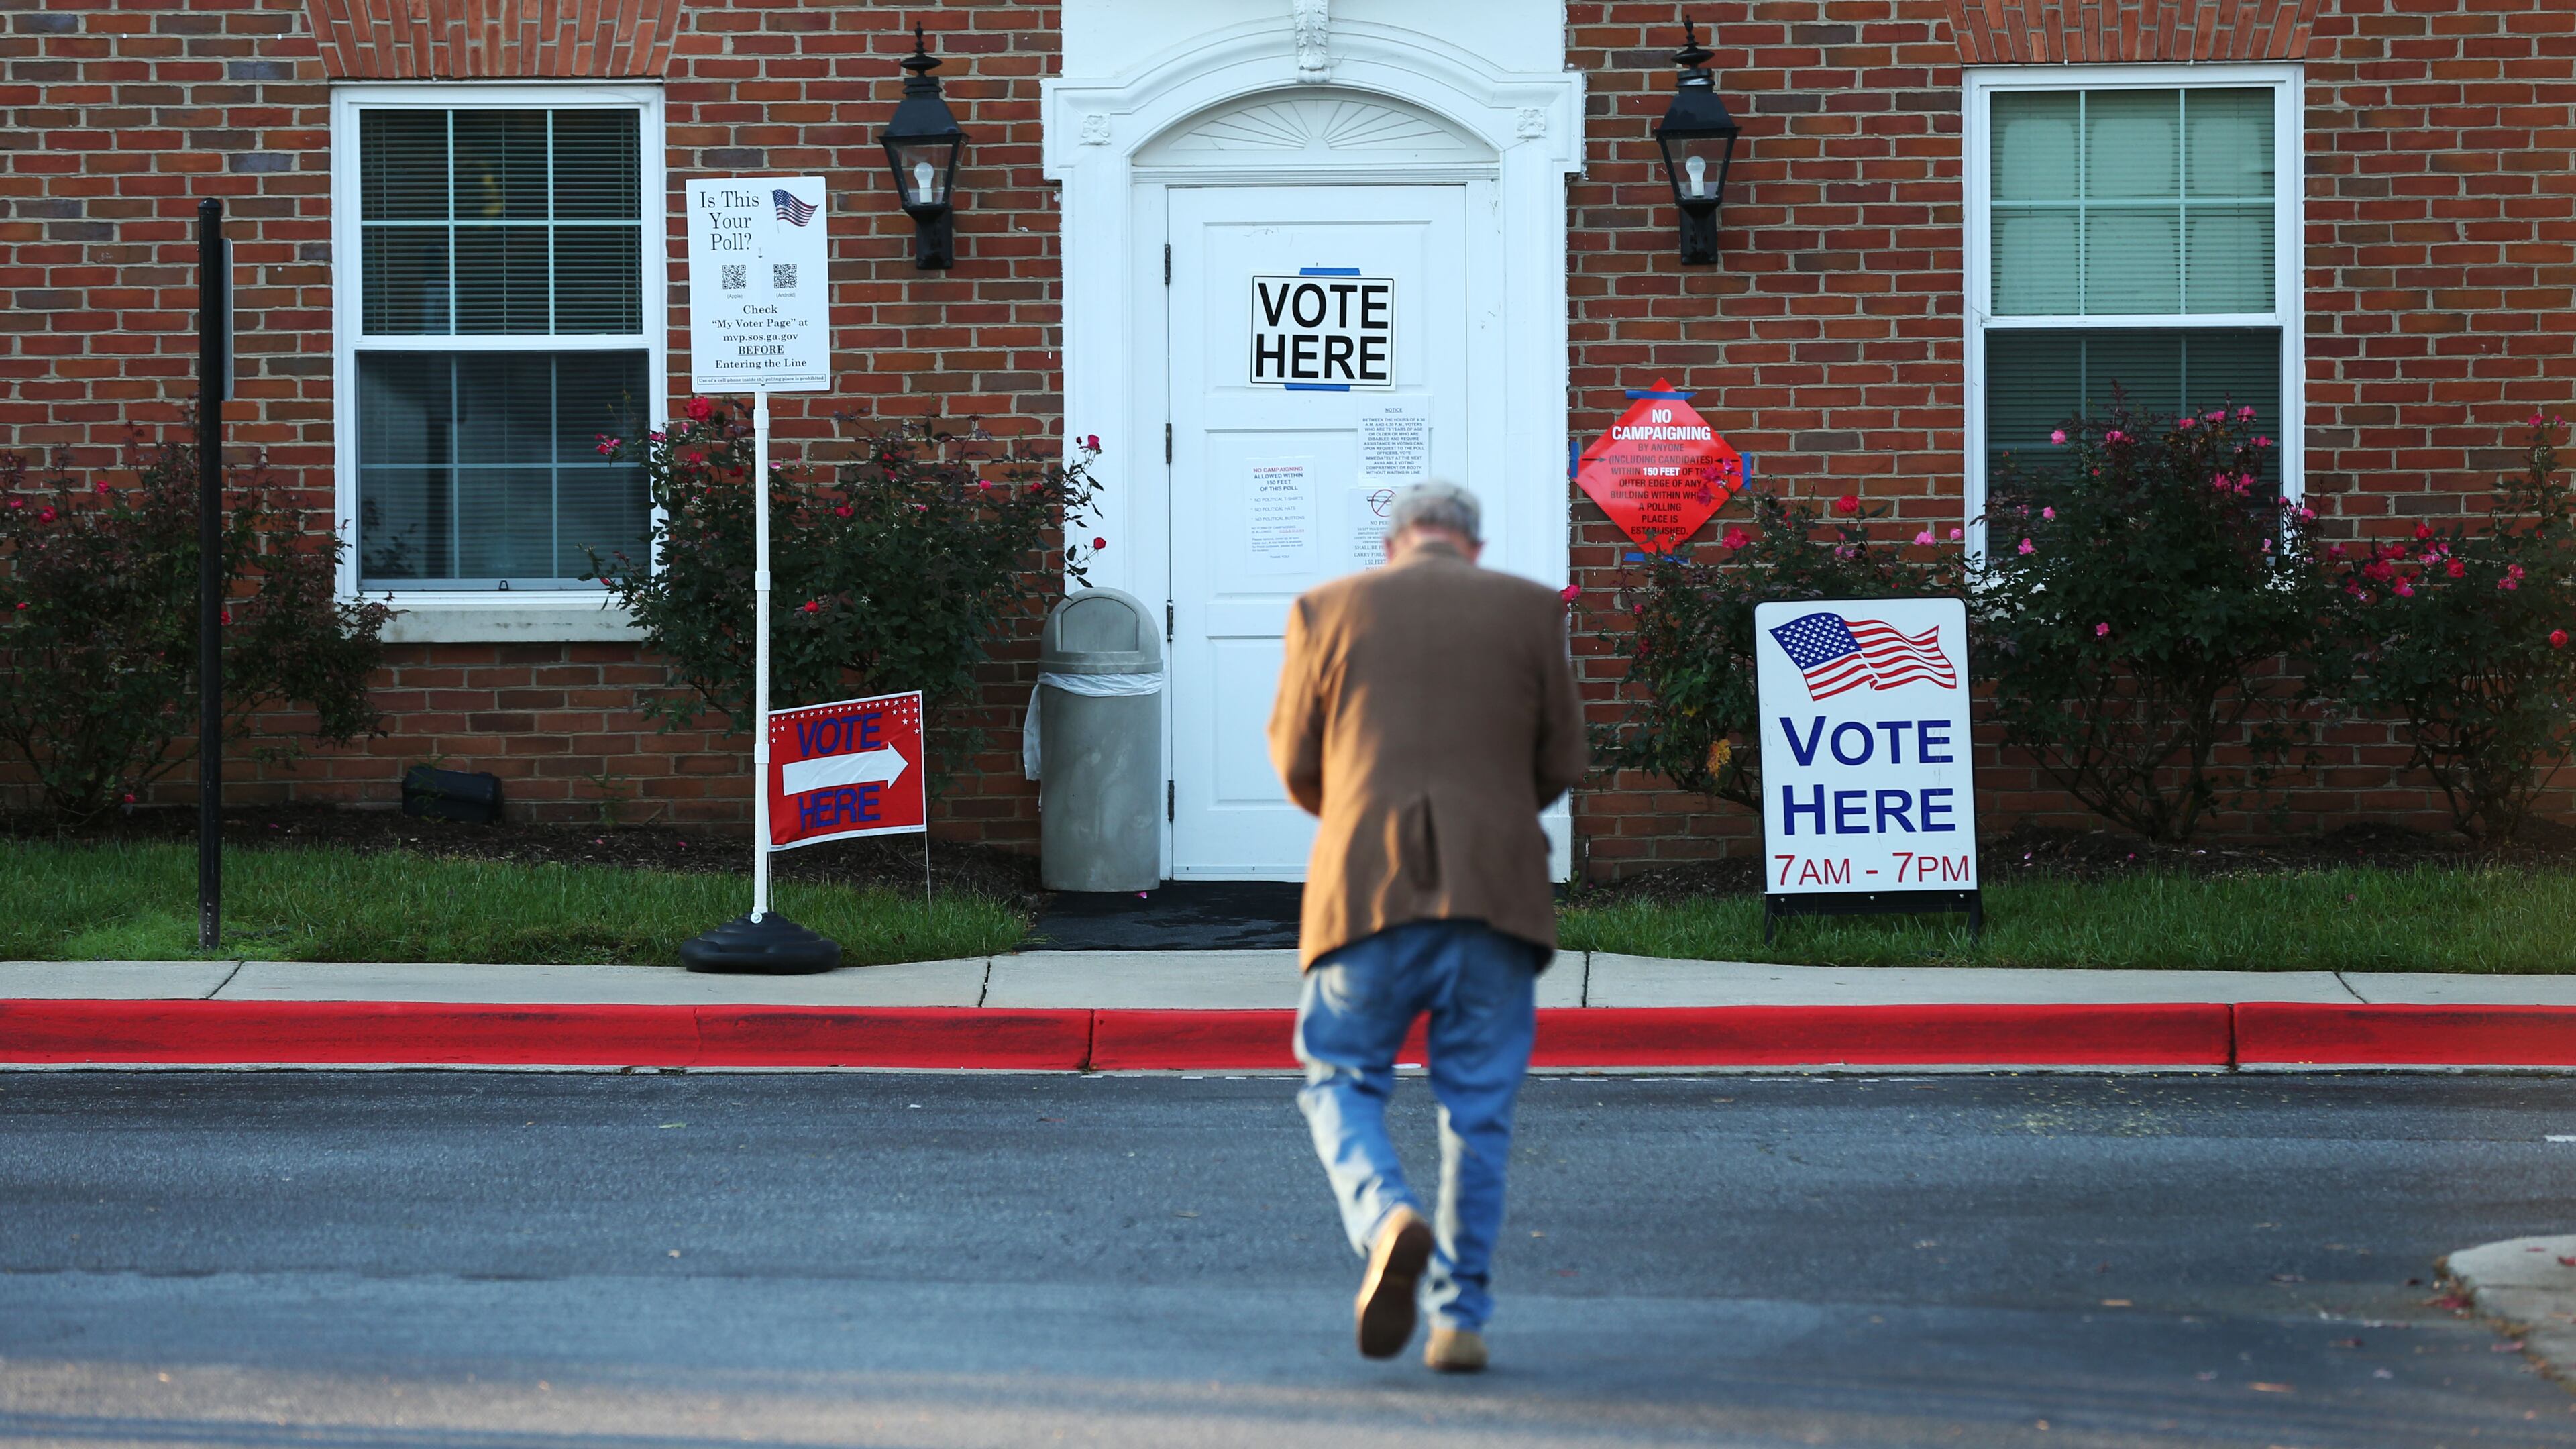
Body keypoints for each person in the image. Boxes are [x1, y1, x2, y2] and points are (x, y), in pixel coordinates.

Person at [1265, 480, 1587, 1373]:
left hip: (1366, 894)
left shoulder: (1326, 608)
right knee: (1478, 1114)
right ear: (1472, 547)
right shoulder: (1530, 610)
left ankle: (1384, 1216)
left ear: (1394, 545)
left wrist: (1362, 818)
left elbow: (1295, 760)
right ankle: (1459, 1321)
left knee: (1340, 1076)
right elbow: (1562, 760)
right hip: (1495, 897)